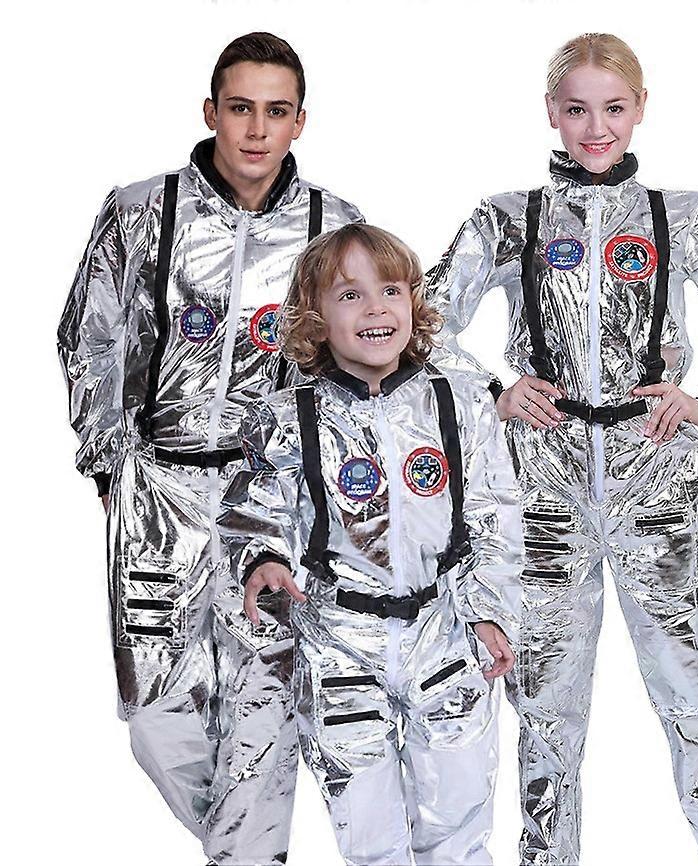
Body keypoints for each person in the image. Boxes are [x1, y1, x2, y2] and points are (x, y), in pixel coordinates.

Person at [426, 32, 698, 866]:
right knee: (544, 707)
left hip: (654, 486)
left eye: (613, 108)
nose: (595, 128)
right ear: (550, 112)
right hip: (543, 490)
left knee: (692, 695)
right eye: (577, 109)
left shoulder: (681, 217)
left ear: (640, 109)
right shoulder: (509, 218)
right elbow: (417, 325)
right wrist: (493, 393)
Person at [57, 32, 363, 865]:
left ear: (300, 121)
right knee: (154, 712)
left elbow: (367, 351)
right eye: (240, 109)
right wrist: (109, 462)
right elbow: (90, 336)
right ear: (211, 113)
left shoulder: (333, 226)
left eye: (276, 111)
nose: (256, 131)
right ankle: (246, 846)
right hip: (158, 488)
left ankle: (250, 857)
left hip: (268, 499)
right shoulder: (141, 210)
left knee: (265, 701)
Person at [219, 224, 523, 865]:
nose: (376, 309)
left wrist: (491, 611)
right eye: (350, 295)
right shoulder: (288, 416)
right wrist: (264, 560)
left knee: (458, 819)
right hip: (339, 640)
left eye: (391, 290)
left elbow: (495, 512)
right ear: (314, 317)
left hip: (445, 629)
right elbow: (256, 504)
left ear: (414, 302)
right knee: (367, 829)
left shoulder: (459, 401)